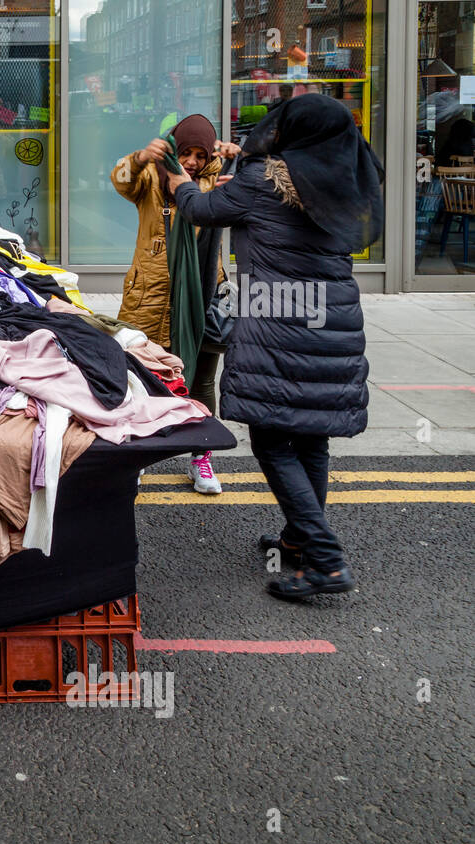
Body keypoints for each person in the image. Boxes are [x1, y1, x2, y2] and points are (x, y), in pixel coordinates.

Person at [169, 93, 383, 601]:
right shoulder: (341, 180)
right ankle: (300, 539)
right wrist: (240, 171)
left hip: (278, 319)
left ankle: (326, 562)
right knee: (310, 434)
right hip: (332, 320)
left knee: (269, 437)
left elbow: (200, 210)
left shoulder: (261, 181)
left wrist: (179, 181)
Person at [111, 114, 240, 495]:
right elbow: (120, 179)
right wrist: (138, 158)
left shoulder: (217, 180)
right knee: (140, 380)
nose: (194, 162)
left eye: (201, 155)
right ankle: (138, 456)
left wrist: (243, 158)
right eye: (187, 153)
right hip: (148, 295)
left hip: (201, 293)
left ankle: (201, 456)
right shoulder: (149, 176)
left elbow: (251, 198)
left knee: (200, 380)